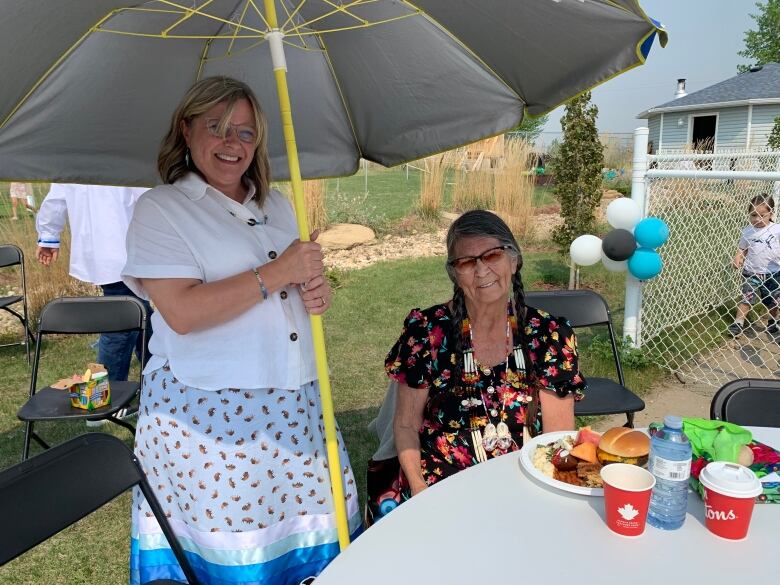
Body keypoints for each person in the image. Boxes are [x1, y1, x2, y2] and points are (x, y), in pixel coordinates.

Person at [122, 76, 360, 585]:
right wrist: (279, 272)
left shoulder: (276, 204)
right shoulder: (161, 209)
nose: (233, 144)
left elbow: (287, 293)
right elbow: (182, 313)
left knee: (311, 549)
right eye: (217, 128)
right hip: (212, 419)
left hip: (297, 405)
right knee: (236, 559)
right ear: (186, 132)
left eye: (246, 133)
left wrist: (312, 291)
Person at [367, 210, 586, 522]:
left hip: (523, 486)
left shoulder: (548, 334)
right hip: (439, 488)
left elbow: (557, 433)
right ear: (455, 273)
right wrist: (418, 488)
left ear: (514, 260)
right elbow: (405, 424)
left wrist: (545, 499)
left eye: (492, 255)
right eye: (467, 262)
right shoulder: (427, 331)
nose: (481, 270)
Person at [35, 183, 152, 382]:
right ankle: (107, 397)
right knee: (119, 327)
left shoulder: (72, 155)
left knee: (141, 313)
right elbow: (148, 195)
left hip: (100, 252)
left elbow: (56, 198)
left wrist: (48, 236)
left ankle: (155, 375)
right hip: (123, 251)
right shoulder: (121, 152)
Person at [729, 194, 780, 337]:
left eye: (762, 215)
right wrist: (738, 257)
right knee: (746, 298)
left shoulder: (777, 229)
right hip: (751, 272)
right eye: (753, 215)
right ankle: (738, 323)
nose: (757, 219)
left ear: (771, 213)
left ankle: (773, 321)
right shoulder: (747, 231)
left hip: (773, 273)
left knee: (772, 301)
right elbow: (742, 248)